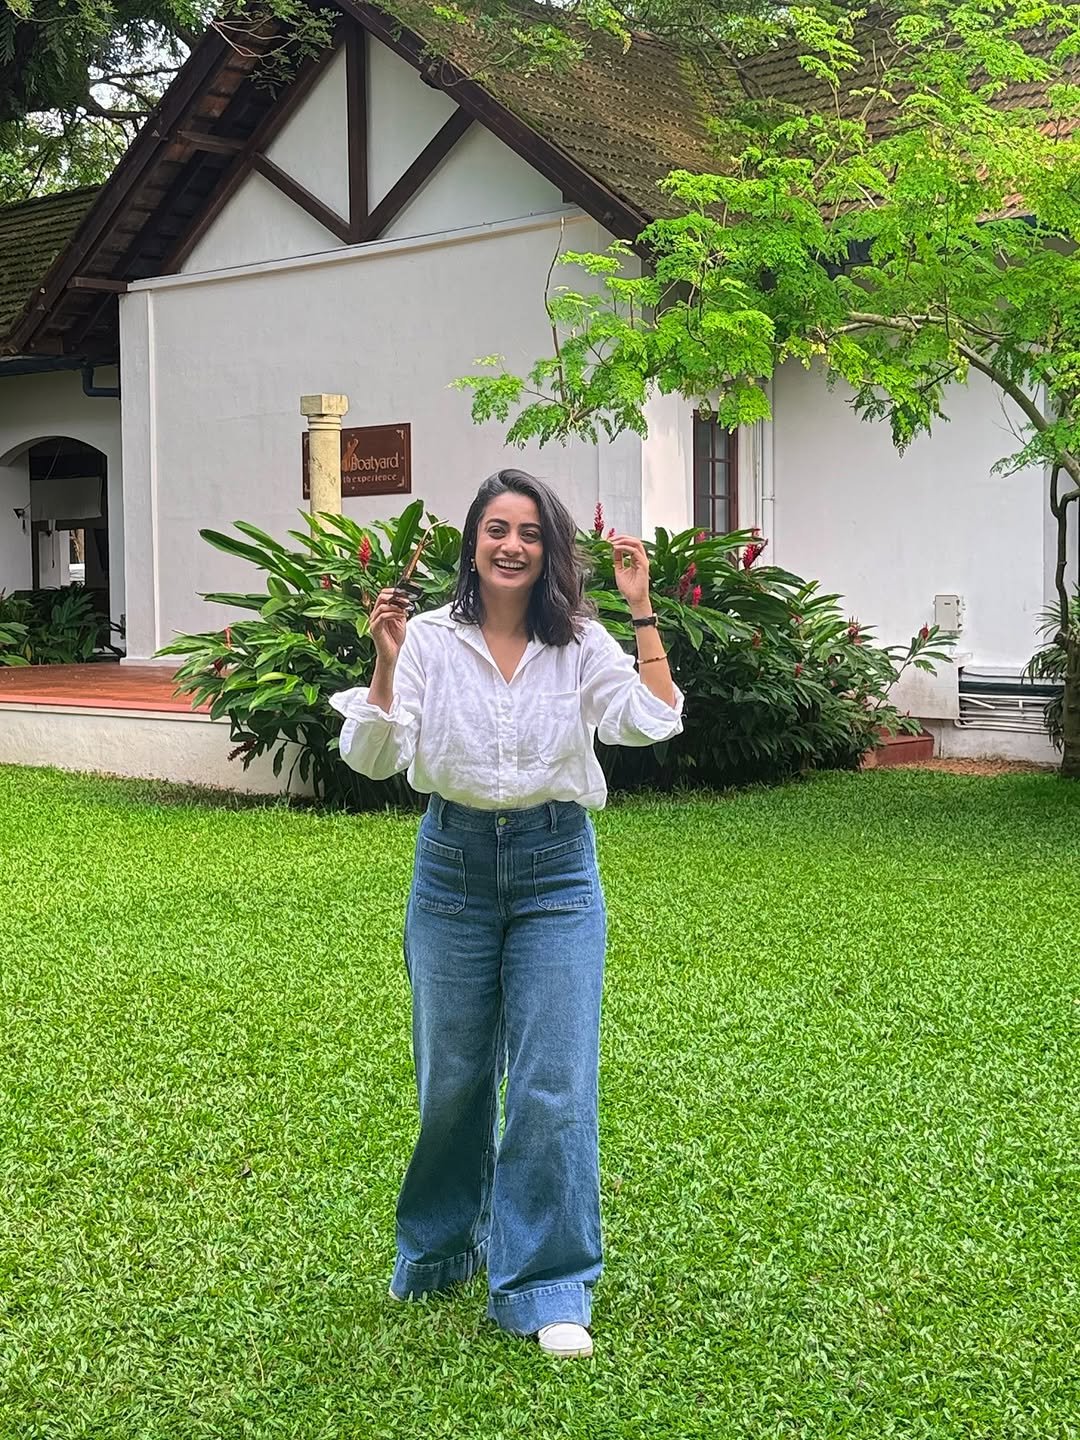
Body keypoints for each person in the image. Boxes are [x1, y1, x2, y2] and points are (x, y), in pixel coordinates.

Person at [330, 469, 683, 1360]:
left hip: (557, 871)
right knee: (451, 1080)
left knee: (551, 1079)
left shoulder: (582, 642)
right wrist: (383, 656)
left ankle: (546, 1282)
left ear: (549, 548)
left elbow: (650, 719)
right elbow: (373, 757)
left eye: (529, 531)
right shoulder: (429, 641)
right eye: (496, 528)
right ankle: (442, 1248)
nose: (512, 545)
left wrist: (641, 610)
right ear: (473, 544)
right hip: (450, 868)